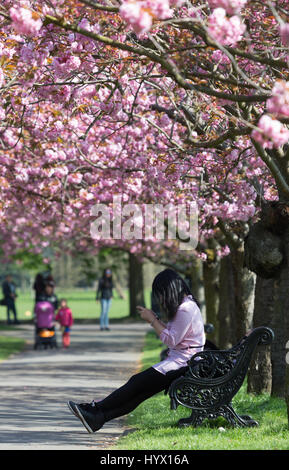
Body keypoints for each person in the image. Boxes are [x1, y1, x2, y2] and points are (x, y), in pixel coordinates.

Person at [67, 268, 205, 433]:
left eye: (160, 294)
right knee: (140, 393)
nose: (160, 298)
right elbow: (173, 336)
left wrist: (152, 320)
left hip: (183, 363)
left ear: (169, 290)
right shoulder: (186, 306)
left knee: (136, 384)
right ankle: (98, 417)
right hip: (181, 361)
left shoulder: (185, 309)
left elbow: (170, 340)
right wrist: (156, 319)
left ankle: (95, 410)